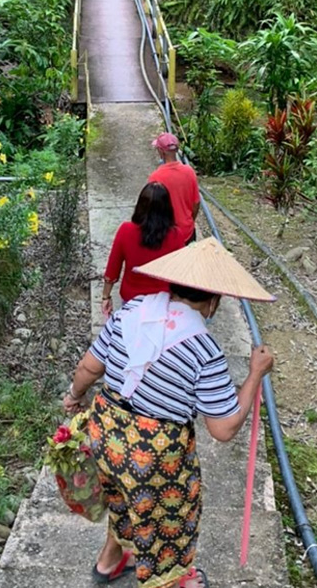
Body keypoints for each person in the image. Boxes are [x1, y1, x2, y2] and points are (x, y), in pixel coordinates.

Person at [63, 236, 276, 588]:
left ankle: (108, 563)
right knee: (169, 519)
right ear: (213, 301)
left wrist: (74, 396)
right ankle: (175, 581)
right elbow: (223, 429)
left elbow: (89, 368)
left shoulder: (130, 312)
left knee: (122, 496)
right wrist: (255, 373)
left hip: (105, 437)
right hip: (152, 455)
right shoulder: (204, 350)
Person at [101, 182, 189, 320]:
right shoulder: (176, 235)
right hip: (163, 303)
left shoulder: (126, 230)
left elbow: (112, 269)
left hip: (132, 302)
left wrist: (106, 297)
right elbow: (182, 273)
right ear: (167, 209)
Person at [148, 133, 200, 243]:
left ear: (161, 151)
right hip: (187, 232)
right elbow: (196, 204)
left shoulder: (155, 177)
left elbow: (153, 211)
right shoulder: (189, 172)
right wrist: (189, 221)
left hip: (166, 236)